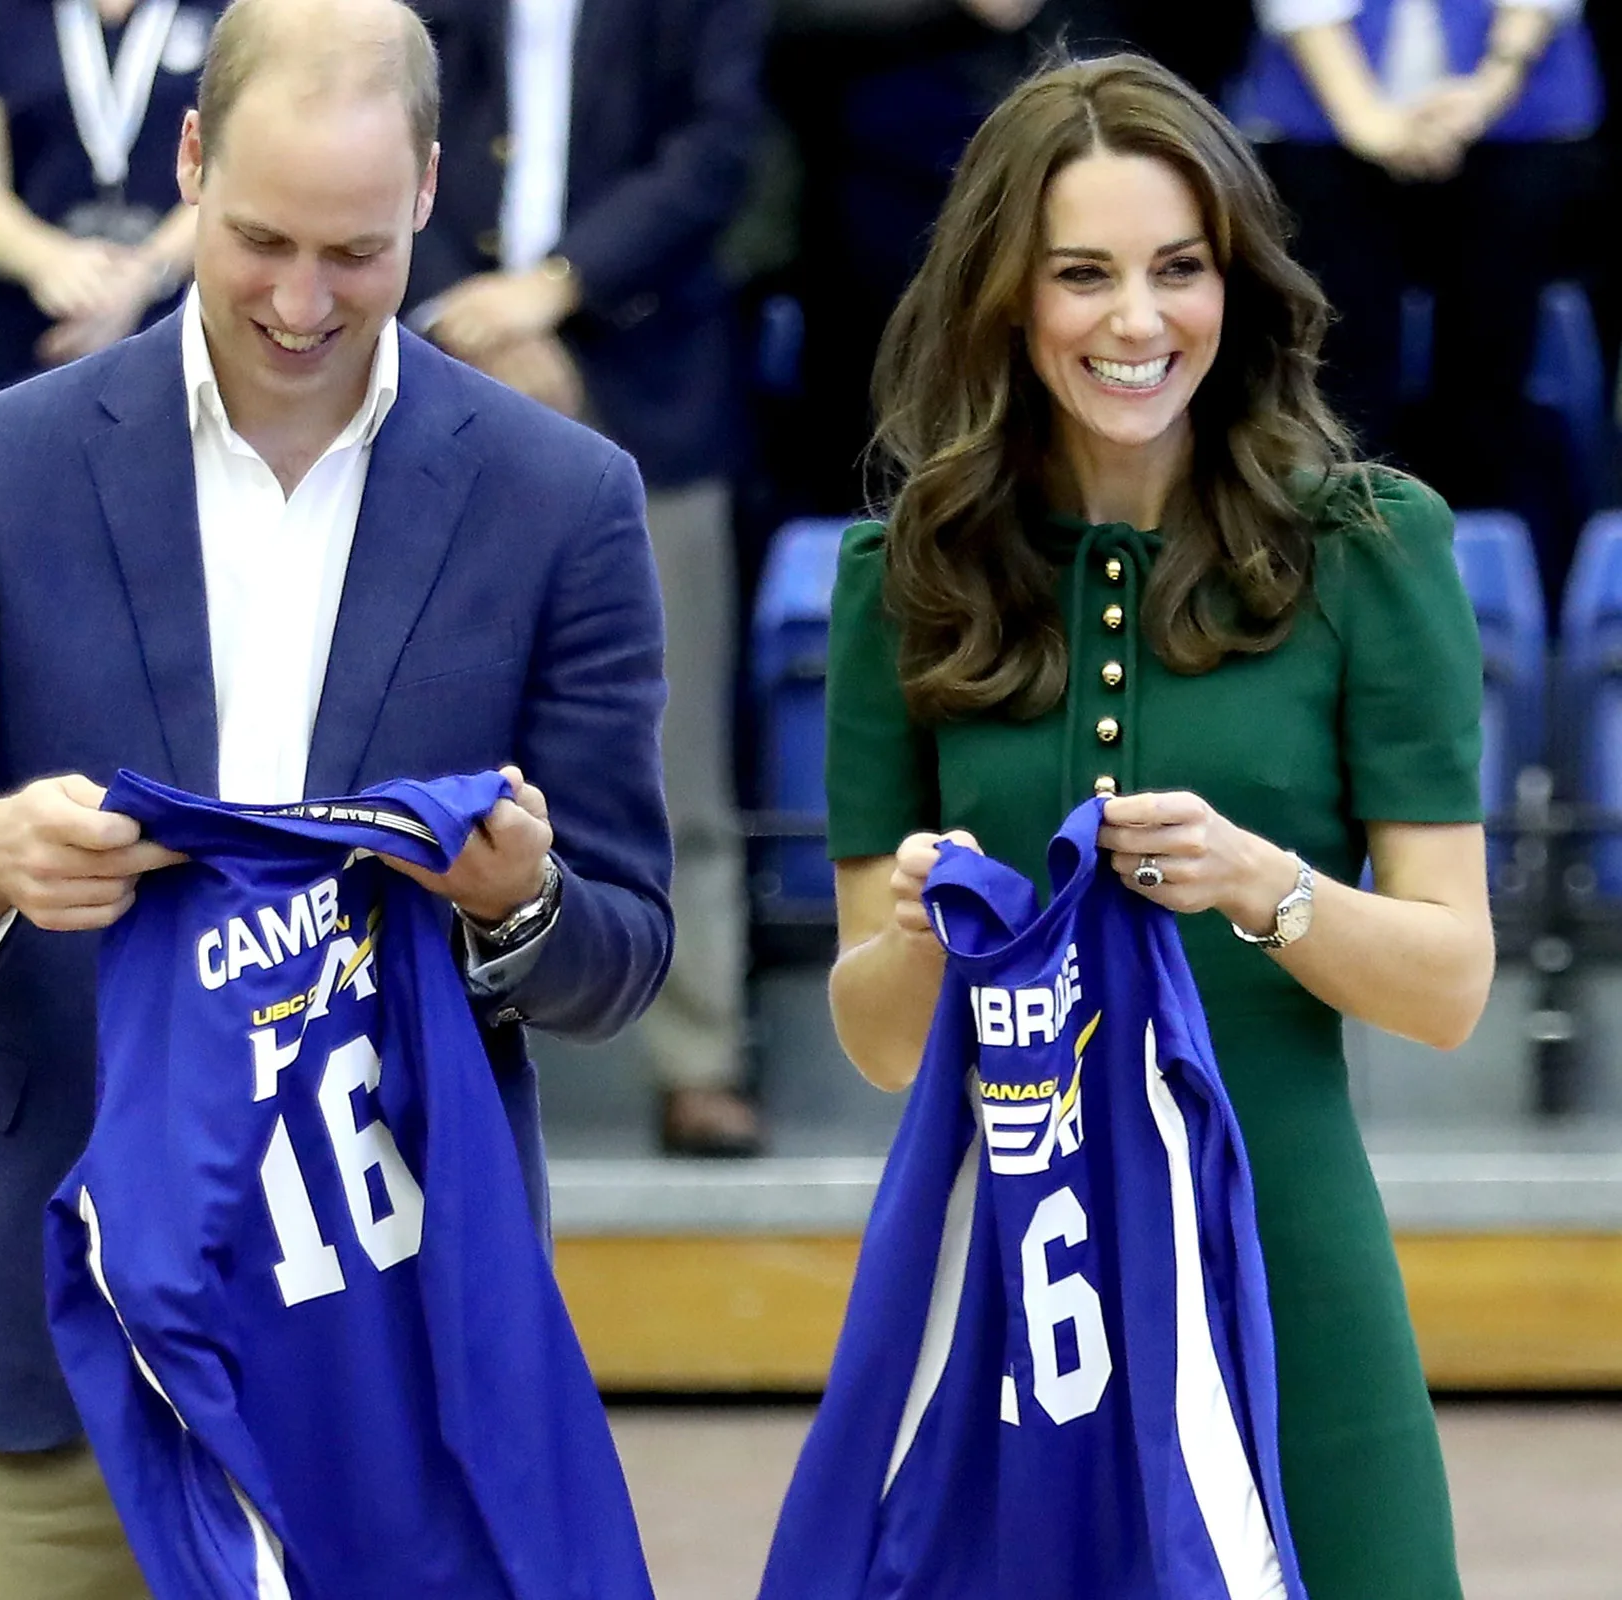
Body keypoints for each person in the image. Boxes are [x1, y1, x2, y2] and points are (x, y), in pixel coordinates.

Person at [0, 0, 671, 1589]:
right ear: (189, 160)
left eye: (354, 250)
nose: (300, 298)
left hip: (390, 1341)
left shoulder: (567, 500)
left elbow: (624, 952)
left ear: (428, 191)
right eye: (260, 237)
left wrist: (519, 903)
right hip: (52, 1331)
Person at [824, 55, 1493, 1600]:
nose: (1139, 322)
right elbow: (872, 1039)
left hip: (1294, 1268)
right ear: (1007, 298)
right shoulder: (902, 575)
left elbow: (1454, 985)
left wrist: (1266, 888)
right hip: (1020, 1284)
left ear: (1234, 282)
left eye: (1179, 270)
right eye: (1084, 276)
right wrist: (922, 936)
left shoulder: (1373, 550)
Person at [406, 0, 766, 1153]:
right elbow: (385, 126)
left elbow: (716, 150)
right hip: (441, 374)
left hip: (650, 378)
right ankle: (410, 1035)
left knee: (677, 754)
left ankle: (698, 1052)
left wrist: (556, 289)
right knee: (420, 727)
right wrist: (480, 320)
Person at [1238, 0, 1602, 601]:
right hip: (1323, 123)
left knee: (1493, 382)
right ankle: (1344, 576)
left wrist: (1489, 89)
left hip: (1516, 120)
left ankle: (1488, 592)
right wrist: (1367, 121)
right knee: (1338, 372)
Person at [0, 0, 226, 396]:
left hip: (188, 318)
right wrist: (45, 260)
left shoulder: (234, 10)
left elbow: (242, 171)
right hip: (28, 328)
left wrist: (146, 274)